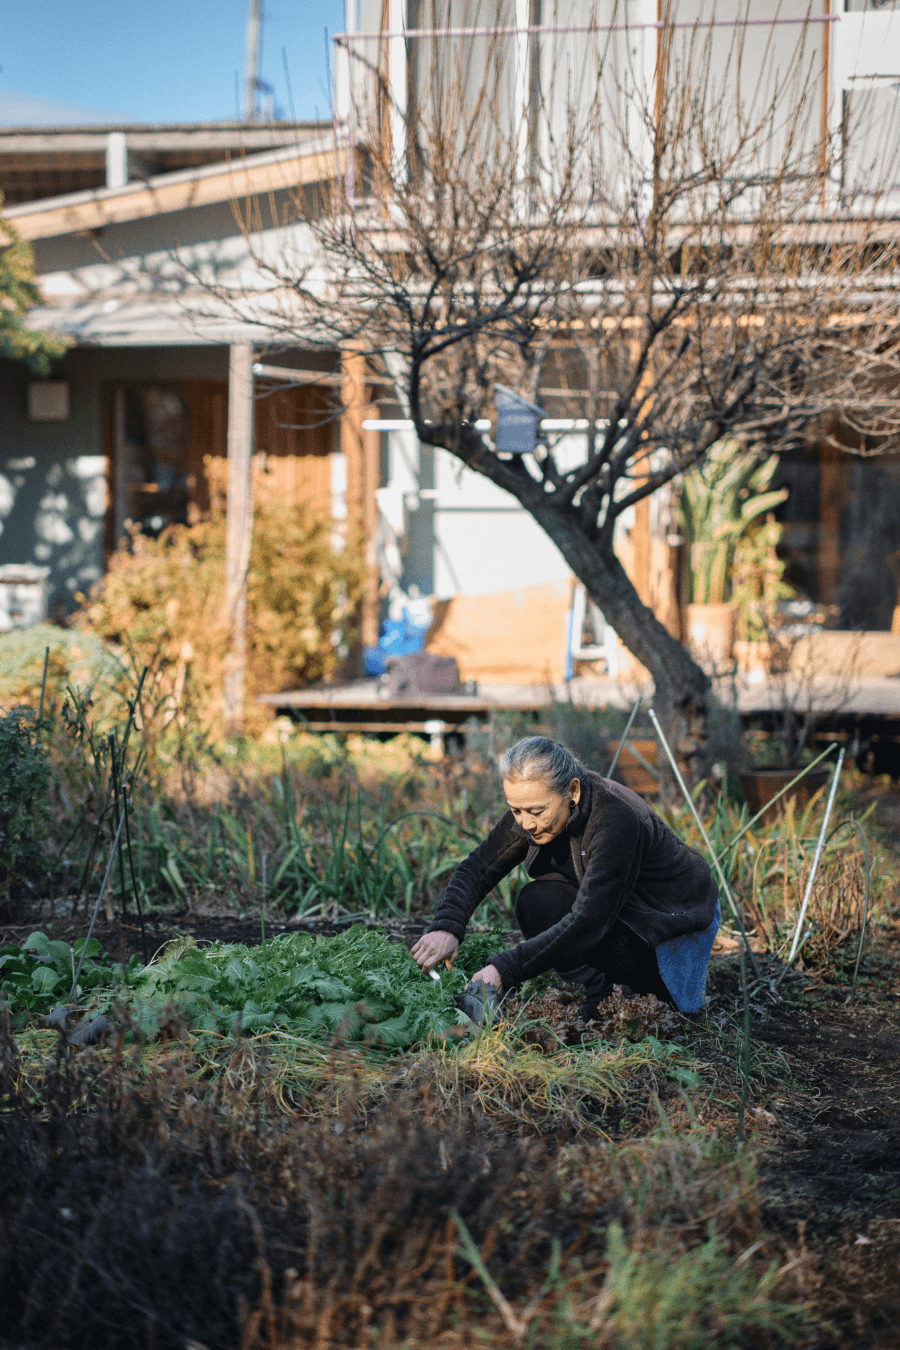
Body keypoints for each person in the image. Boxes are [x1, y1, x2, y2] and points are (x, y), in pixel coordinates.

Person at [411, 736, 720, 1017]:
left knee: (644, 995)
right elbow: (479, 867)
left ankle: (639, 992)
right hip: (619, 909)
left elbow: (588, 921)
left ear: (572, 790)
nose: (526, 824)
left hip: (668, 922)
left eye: (535, 811)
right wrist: (447, 927)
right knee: (537, 902)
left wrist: (504, 970)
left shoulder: (615, 820)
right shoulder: (533, 808)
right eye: (516, 811)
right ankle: (597, 991)